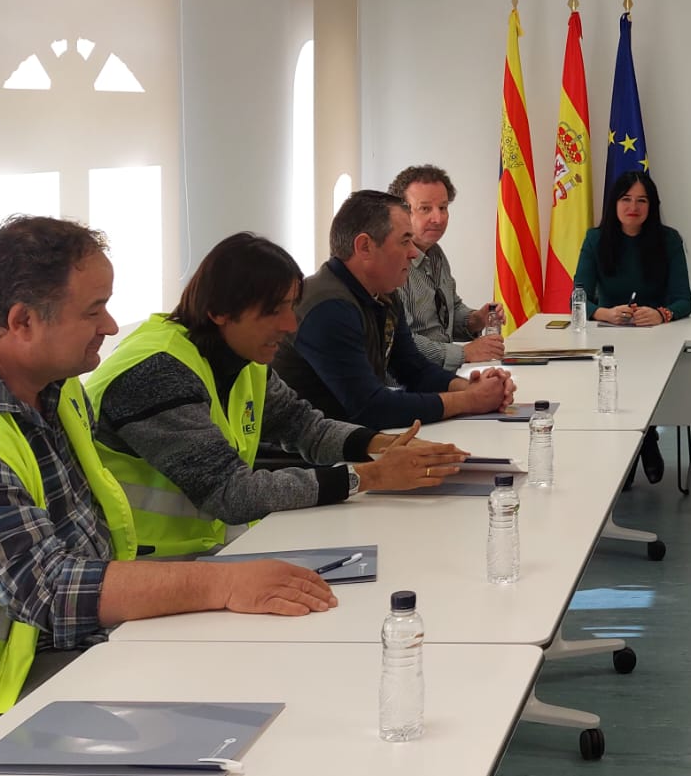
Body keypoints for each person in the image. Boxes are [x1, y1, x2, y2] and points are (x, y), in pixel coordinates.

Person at [0, 217, 336, 776]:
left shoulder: (53, 388)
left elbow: (88, 547)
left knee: (285, 686)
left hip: (73, 652)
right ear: (21, 322)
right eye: (93, 310)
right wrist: (224, 582)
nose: (112, 325)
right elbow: (53, 591)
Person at [85, 232, 471, 557]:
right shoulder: (157, 372)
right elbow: (229, 492)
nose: (290, 325)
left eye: (291, 307)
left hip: (215, 553)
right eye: (275, 311)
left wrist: (384, 445)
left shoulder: (242, 358)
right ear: (220, 311)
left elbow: (305, 427)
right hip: (145, 572)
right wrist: (368, 475)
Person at [271, 190, 517, 431]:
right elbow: (371, 408)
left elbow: (413, 369)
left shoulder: (384, 291)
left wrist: (469, 387)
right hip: (305, 461)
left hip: (352, 443)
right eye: (404, 241)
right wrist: (470, 400)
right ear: (365, 246)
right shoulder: (327, 308)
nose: (413, 252)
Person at [574, 170, 691, 483]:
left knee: (641, 382)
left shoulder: (668, 239)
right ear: (614, 203)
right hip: (610, 338)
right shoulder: (596, 239)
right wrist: (604, 313)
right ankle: (639, 446)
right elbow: (578, 298)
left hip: (657, 340)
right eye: (626, 199)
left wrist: (660, 314)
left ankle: (644, 441)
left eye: (642, 200)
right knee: (610, 382)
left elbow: (684, 300)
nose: (633, 207)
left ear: (652, 206)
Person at [389, 164, 503, 369]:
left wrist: (476, 319)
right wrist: (464, 353)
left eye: (443, 208)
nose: (438, 218)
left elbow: (449, 308)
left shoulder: (436, 253)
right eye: (425, 209)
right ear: (401, 213)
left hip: (442, 374)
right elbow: (399, 341)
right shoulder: (391, 262)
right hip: (407, 385)